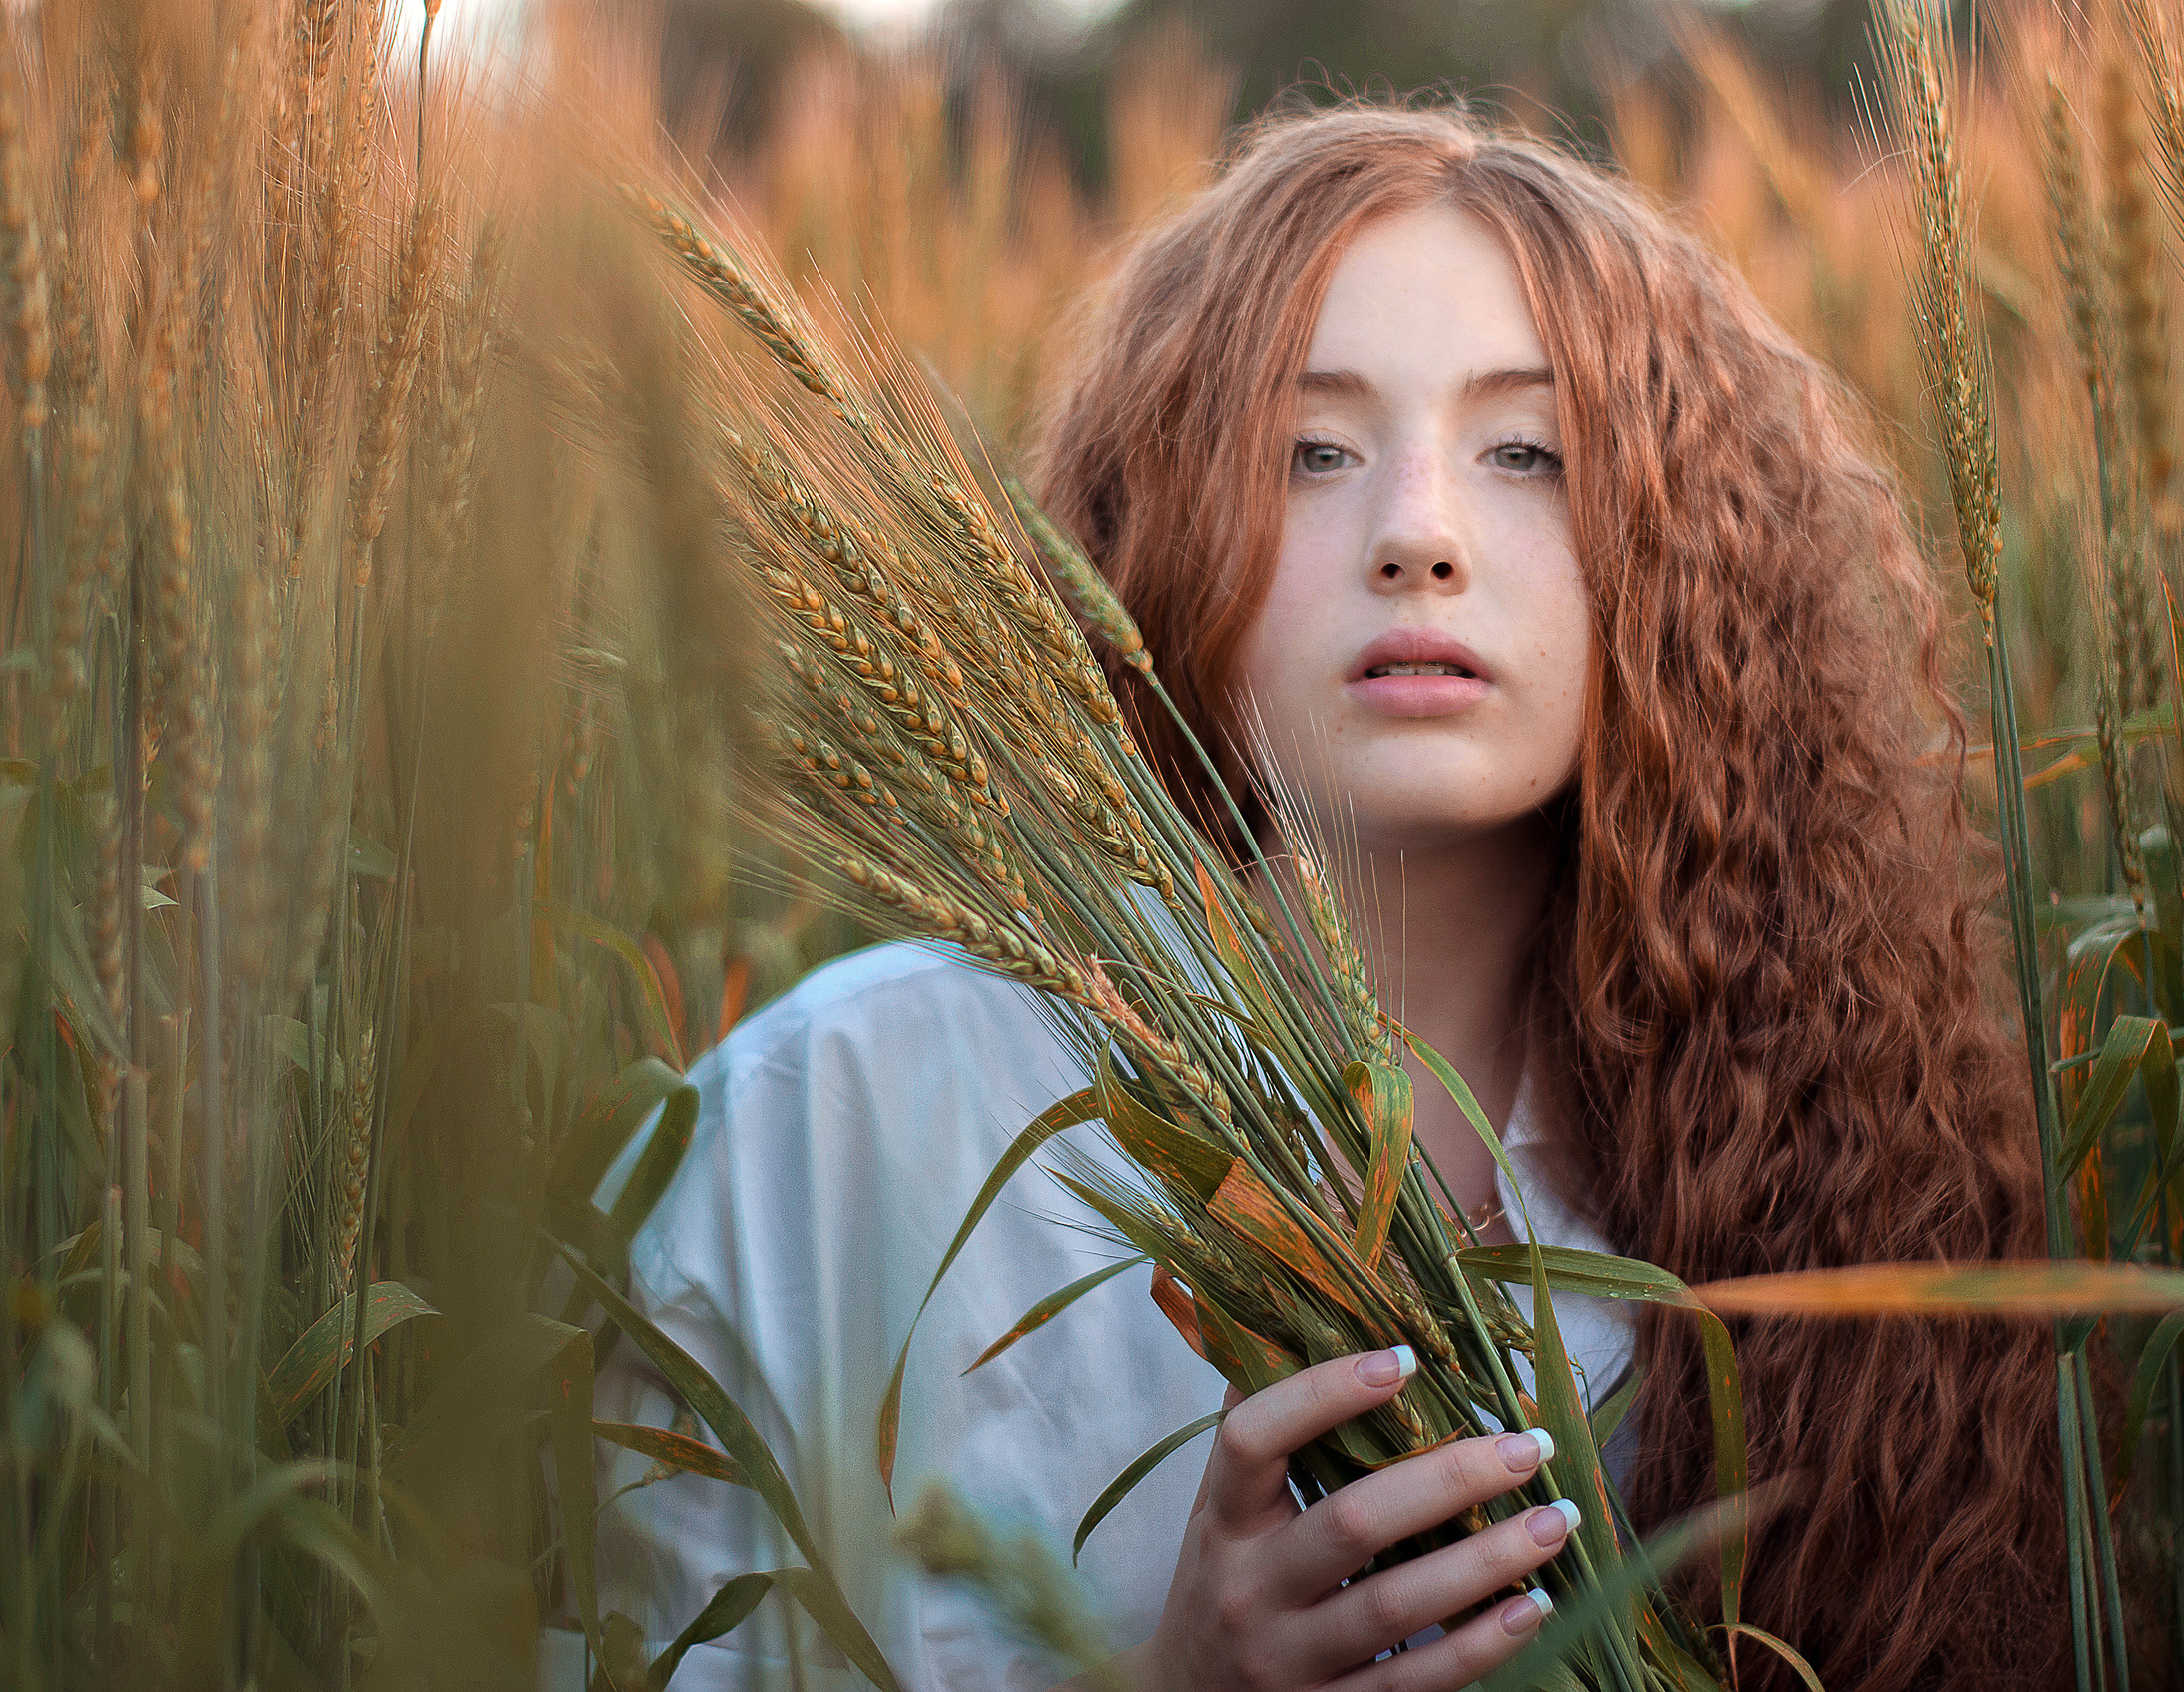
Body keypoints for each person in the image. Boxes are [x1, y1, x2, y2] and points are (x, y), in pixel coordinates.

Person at [594, 101, 2074, 1692]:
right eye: (1312, 452)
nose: (1419, 535)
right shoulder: (831, 1130)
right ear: (1152, 531)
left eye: (1529, 453)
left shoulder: (1833, 1167)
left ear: (1683, 561)